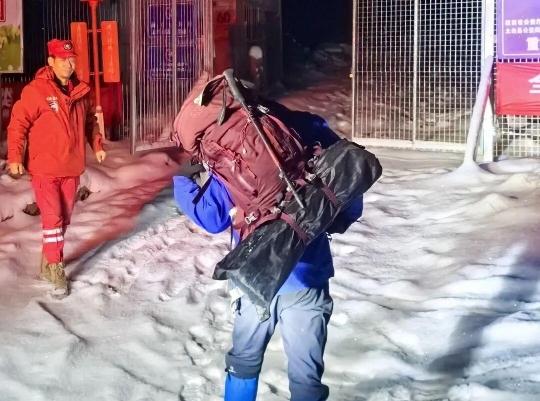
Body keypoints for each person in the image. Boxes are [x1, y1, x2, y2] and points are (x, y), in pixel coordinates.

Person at [173, 110, 363, 401]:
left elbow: (212, 217)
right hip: (307, 277)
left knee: (244, 362)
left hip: (255, 277)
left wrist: (181, 182)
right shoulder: (311, 132)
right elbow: (349, 187)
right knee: (307, 376)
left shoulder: (239, 149)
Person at [7, 38, 106, 295]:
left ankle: (47, 260)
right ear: (51, 61)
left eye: (72, 59)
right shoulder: (36, 91)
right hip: (44, 168)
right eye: (63, 60)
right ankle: (55, 266)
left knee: (64, 219)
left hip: (71, 167)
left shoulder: (80, 91)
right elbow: (18, 124)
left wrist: (97, 145)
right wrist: (15, 157)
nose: (69, 64)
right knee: (52, 218)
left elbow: (90, 122)